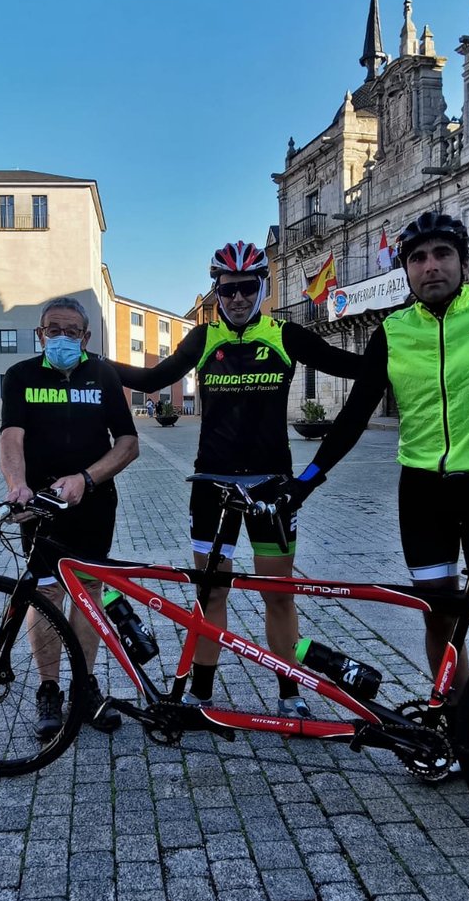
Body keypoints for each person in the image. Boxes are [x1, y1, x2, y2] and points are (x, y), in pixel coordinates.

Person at [281, 211, 469, 810]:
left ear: (462, 261)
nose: (430, 266)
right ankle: (459, 738)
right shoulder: (391, 332)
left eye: (442, 253)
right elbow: (355, 414)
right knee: (439, 621)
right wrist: (306, 480)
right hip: (420, 492)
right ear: (406, 270)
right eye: (418, 258)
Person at [111, 240, 363, 718]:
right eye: (228, 291)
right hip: (212, 485)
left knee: (278, 594)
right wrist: (93, 363)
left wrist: (400, 347)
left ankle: (290, 695)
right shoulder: (203, 340)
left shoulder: (285, 335)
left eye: (248, 288)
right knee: (211, 593)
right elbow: (150, 379)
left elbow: (354, 368)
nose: (239, 299)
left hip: (272, 486)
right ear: (216, 292)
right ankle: (201, 692)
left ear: (262, 286)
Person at [0, 296, 140, 738]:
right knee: (47, 595)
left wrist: (86, 477)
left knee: (89, 591)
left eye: (71, 331)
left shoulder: (103, 374)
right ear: (40, 335)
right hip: (41, 506)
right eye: (53, 330)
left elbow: (128, 443)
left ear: (86, 336)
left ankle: (85, 684)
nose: (62, 337)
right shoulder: (20, 375)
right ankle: (49, 689)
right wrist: (17, 486)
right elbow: (11, 436)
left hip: (94, 502)